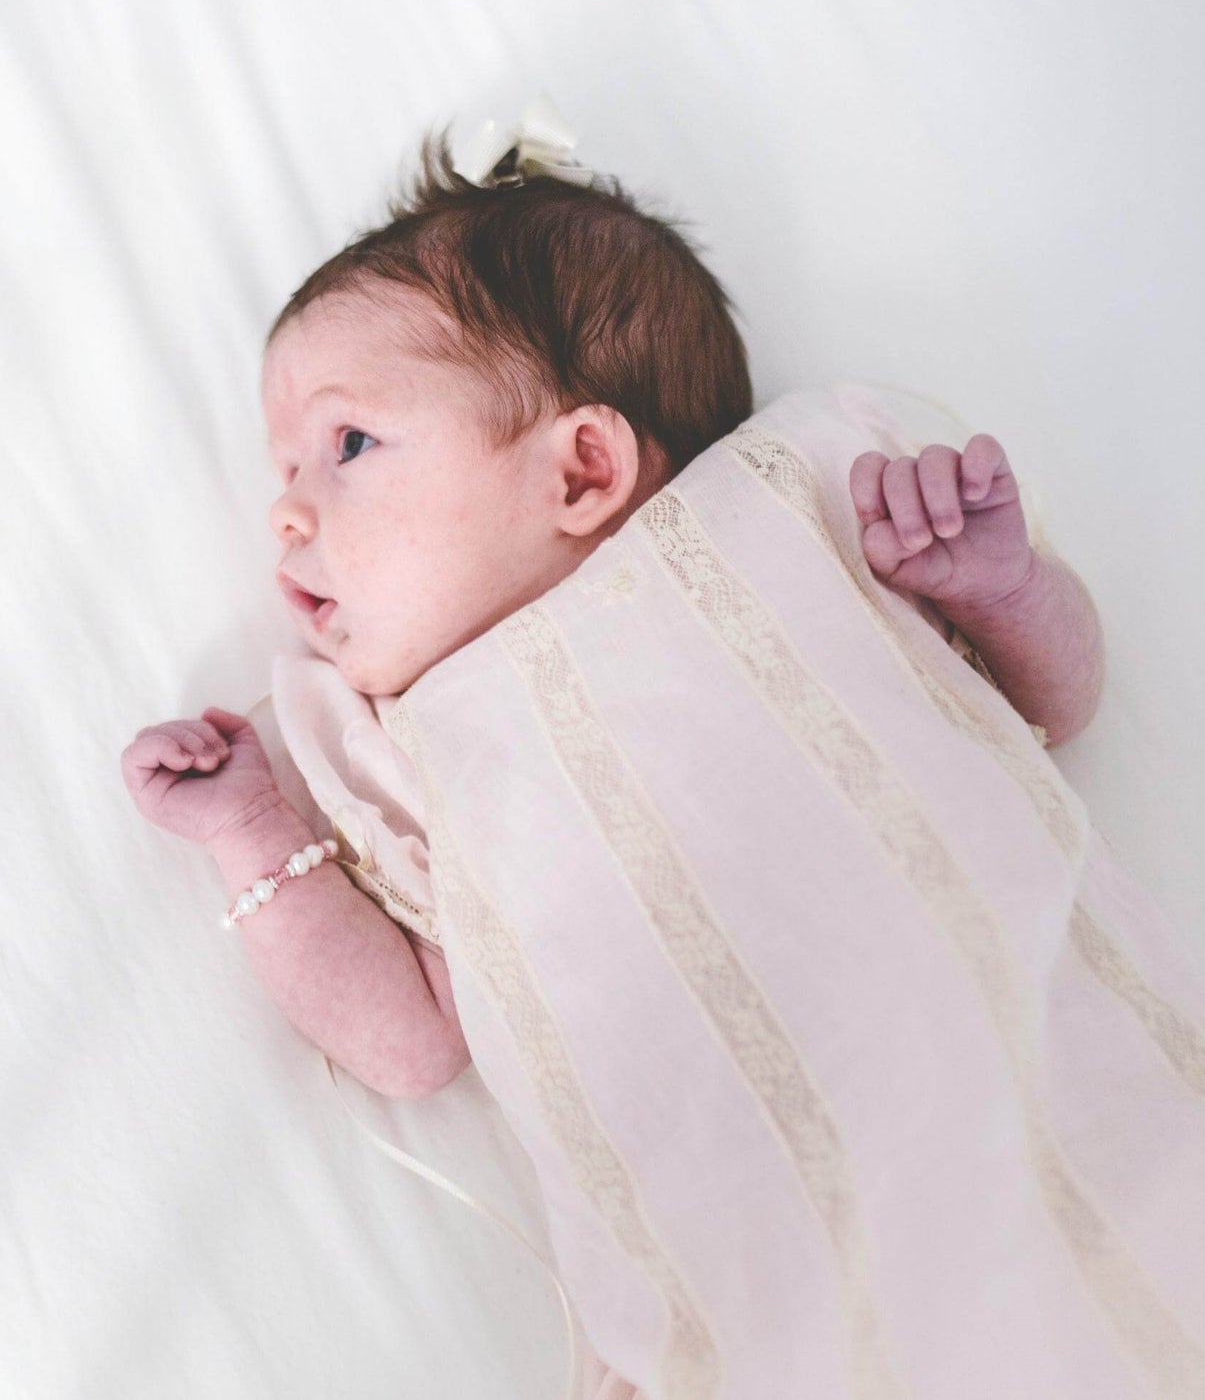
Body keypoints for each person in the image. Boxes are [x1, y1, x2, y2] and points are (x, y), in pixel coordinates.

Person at [120, 99, 1204, 1398]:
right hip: (745, 1281)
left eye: (346, 442)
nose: (287, 509)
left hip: (1069, 1110)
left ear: (581, 468)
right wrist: (256, 828)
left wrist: (999, 584)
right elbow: (410, 1040)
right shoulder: (400, 742)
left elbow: (1058, 699)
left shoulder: (797, 510)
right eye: (282, 465)